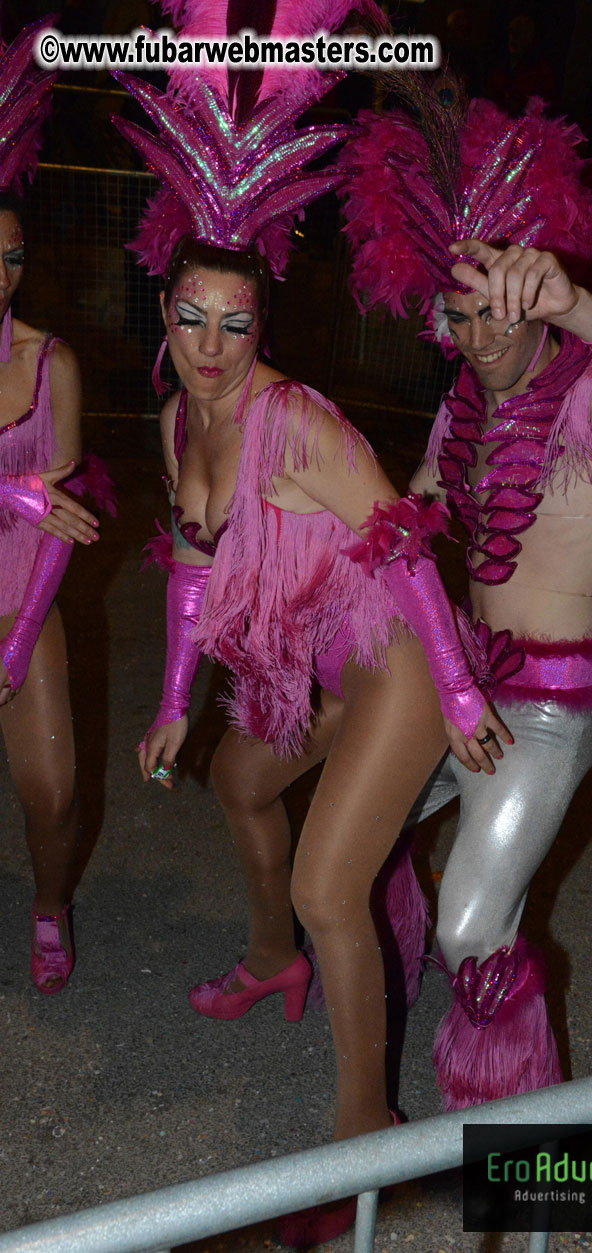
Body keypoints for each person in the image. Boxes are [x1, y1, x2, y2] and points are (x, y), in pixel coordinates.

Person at [116, 29, 503, 1246]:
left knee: (339, 879)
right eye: (193, 319)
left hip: (387, 655)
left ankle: (360, 1131)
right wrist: (179, 698)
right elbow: (187, 562)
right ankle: (274, 953)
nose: (214, 348)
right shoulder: (181, 416)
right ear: (166, 312)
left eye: (237, 324)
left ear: (261, 320)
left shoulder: (299, 418)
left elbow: (401, 547)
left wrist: (451, 694)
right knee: (239, 776)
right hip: (315, 674)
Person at [339, 92, 592, 1109]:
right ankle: (401, 977)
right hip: (461, 675)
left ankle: (508, 1104)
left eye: (500, 305)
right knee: (354, 835)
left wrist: (577, 306)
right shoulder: (463, 395)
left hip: (549, 705)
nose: (481, 333)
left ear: (536, 295)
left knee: (471, 923)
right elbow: (415, 508)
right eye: (458, 314)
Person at [0, 21, 105, 995]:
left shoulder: (52, 362)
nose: (0, 275)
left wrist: (16, 635)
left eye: (12, 256)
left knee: (56, 790)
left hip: (22, 594)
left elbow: (60, 520)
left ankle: (49, 901)